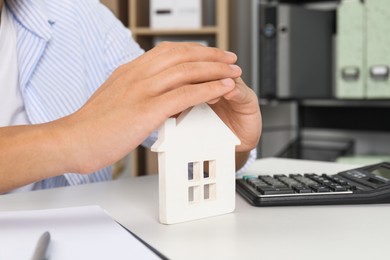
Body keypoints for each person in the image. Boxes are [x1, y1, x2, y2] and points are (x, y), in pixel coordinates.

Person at [0, 0, 262, 193]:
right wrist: (73, 140)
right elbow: (91, 135)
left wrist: (220, 141)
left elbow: (194, 152)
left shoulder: (82, 15)